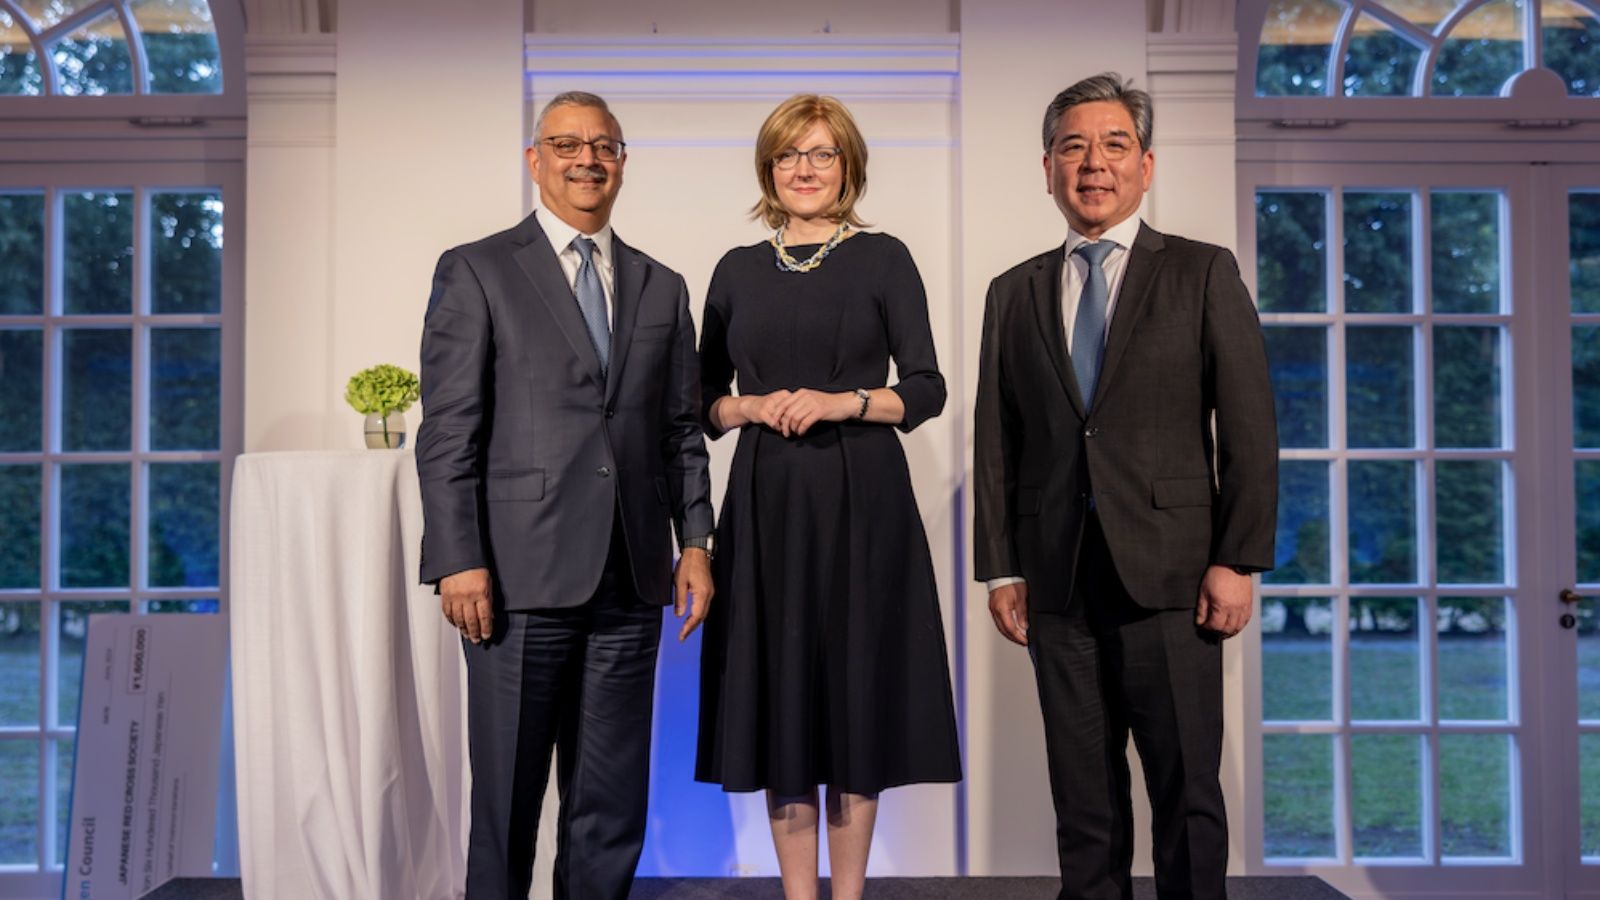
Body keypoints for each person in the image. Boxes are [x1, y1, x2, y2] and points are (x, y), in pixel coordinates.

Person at [973, 73, 1278, 900]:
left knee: (1187, 795)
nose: (1093, 164)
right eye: (1073, 146)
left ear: (1146, 165)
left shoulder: (1203, 273)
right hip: (1057, 582)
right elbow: (997, 441)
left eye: (1113, 146)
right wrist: (1002, 568)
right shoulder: (1014, 292)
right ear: (1046, 168)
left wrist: (1237, 559)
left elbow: (1249, 427)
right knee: (1084, 801)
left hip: (1176, 581)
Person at [416, 90, 715, 900]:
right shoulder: (476, 268)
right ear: (535, 161)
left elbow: (680, 430)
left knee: (611, 805)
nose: (587, 159)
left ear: (622, 162)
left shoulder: (662, 285)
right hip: (513, 582)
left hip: (632, 577)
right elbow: (447, 429)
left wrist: (695, 543)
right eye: (567, 144)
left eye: (604, 146)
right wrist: (458, 558)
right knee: (508, 802)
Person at [694, 94, 961, 900]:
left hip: (862, 502)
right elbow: (702, 399)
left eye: (821, 154)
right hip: (766, 503)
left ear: (848, 166)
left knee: (852, 699)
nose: (804, 170)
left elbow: (927, 387)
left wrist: (844, 401)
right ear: (768, 169)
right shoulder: (736, 269)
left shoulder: (885, 258)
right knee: (784, 705)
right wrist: (747, 406)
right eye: (789, 156)